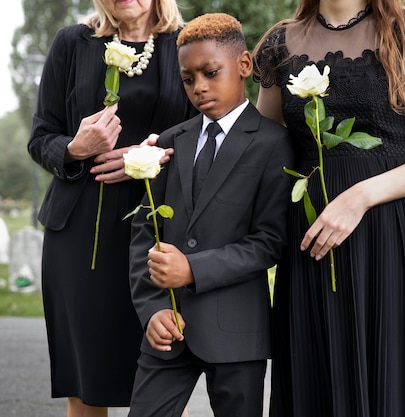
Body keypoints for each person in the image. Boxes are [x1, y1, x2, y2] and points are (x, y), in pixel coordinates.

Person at [252, 0, 405, 416]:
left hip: (398, 239)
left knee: (396, 383)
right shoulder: (280, 44)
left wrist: (359, 196)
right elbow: (266, 153)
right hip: (313, 245)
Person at [27, 0, 197, 416]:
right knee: (88, 383)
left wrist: (152, 156)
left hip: (160, 223)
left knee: (163, 370)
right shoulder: (72, 42)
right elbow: (41, 137)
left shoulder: (187, 42)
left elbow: (208, 127)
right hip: (80, 229)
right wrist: (74, 148)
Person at [127, 13, 294, 417]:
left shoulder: (274, 144)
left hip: (236, 334)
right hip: (168, 328)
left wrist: (193, 270)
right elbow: (143, 235)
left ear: (243, 66)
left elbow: (269, 242)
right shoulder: (169, 143)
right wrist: (152, 309)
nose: (199, 87)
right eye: (188, 79)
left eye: (210, 72)